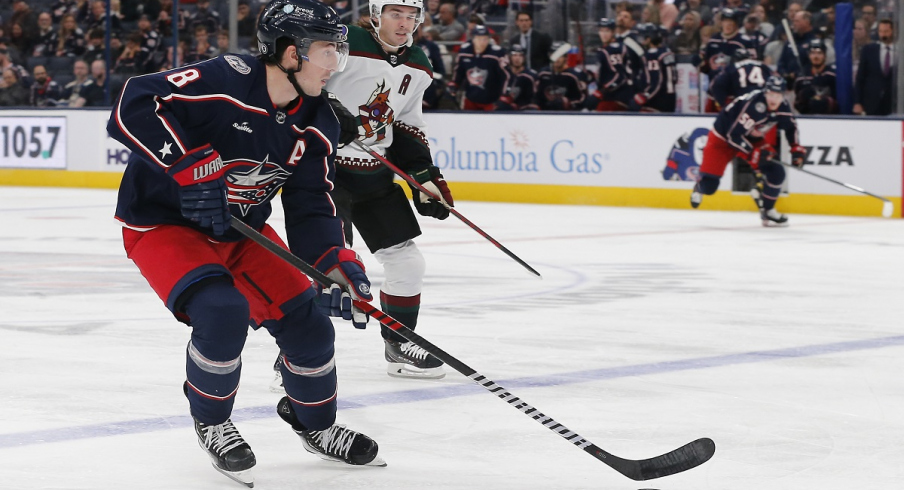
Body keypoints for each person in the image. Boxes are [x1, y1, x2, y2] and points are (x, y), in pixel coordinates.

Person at [106, 0, 385, 487]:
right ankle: (212, 421)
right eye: (327, 51)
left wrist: (337, 264)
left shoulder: (319, 120)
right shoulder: (225, 79)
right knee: (221, 310)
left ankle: (316, 426)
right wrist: (186, 164)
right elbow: (134, 101)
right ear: (289, 53)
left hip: (240, 230)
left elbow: (311, 207)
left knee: (311, 326)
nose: (335, 64)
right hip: (164, 225)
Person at [311, 0, 452, 380]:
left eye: (412, 16)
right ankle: (299, 352)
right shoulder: (345, 41)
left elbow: (406, 124)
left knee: (408, 262)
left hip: (375, 177)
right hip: (326, 173)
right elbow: (301, 84)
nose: (405, 23)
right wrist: (327, 111)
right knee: (329, 269)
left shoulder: (419, 64)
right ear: (376, 15)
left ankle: (399, 343)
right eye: (396, 14)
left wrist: (423, 175)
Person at [690, 76, 806, 227]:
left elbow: (791, 128)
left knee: (777, 171)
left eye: (777, 95)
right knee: (710, 187)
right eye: (770, 94)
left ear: (783, 96)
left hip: (751, 138)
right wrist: (754, 153)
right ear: (765, 93)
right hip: (722, 139)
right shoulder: (754, 106)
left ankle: (768, 210)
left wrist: (796, 150)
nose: (773, 99)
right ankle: (700, 186)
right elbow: (733, 135)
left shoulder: (783, 106)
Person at [699, 8, 756, 112]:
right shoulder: (713, 41)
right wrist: (700, 64)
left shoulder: (744, 42)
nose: (728, 25)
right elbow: (706, 68)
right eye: (725, 21)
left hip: (735, 92)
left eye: (731, 22)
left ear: (736, 24)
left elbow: (751, 67)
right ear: (721, 23)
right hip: (714, 91)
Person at [450, 24, 508, 110]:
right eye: (479, 38)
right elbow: (459, 71)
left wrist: (504, 95)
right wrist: (454, 84)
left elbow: (506, 76)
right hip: (470, 99)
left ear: (489, 39)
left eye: (485, 39)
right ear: (473, 39)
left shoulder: (497, 53)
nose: (482, 42)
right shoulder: (464, 51)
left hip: (491, 100)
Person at [587, 17, 634, 111]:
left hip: (618, 96)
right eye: (601, 31)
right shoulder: (606, 49)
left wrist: (601, 92)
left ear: (613, 32)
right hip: (611, 96)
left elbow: (620, 76)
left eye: (607, 31)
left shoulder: (614, 49)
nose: (603, 34)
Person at [630, 23, 676, 112]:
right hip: (670, 98)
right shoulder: (667, 51)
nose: (641, 41)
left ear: (649, 39)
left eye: (643, 37)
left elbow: (657, 81)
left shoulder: (652, 54)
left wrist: (645, 96)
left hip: (657, 100)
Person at [853, 19, 894, 116]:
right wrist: (857, 102)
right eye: (881, 31)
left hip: (894, 103)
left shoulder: (900, 51)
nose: (883, 34)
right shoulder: (868, 50)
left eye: (886, 31)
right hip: (871, 102)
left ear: (893, 31)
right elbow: (860, 78)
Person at [793, 38, 836, 114]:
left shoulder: (832, 75)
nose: (816, 56)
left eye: (819, 53)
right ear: (809, 55)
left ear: (825, 55)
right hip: (807, 118)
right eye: (813, 53)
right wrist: (803, 98)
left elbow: (839, 100)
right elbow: (796, 103)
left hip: (830, 119)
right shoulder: (801, 77)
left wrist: (826, 101)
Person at [497, 43, 537, 110]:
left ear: (524, 58)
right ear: (509, 57)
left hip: (522, 111)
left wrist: (517, 105)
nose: (517, 58)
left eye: (520, 55)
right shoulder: (503, 72)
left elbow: (532, 99)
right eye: (514, 55)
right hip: (502, 109)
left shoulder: (530, 76)